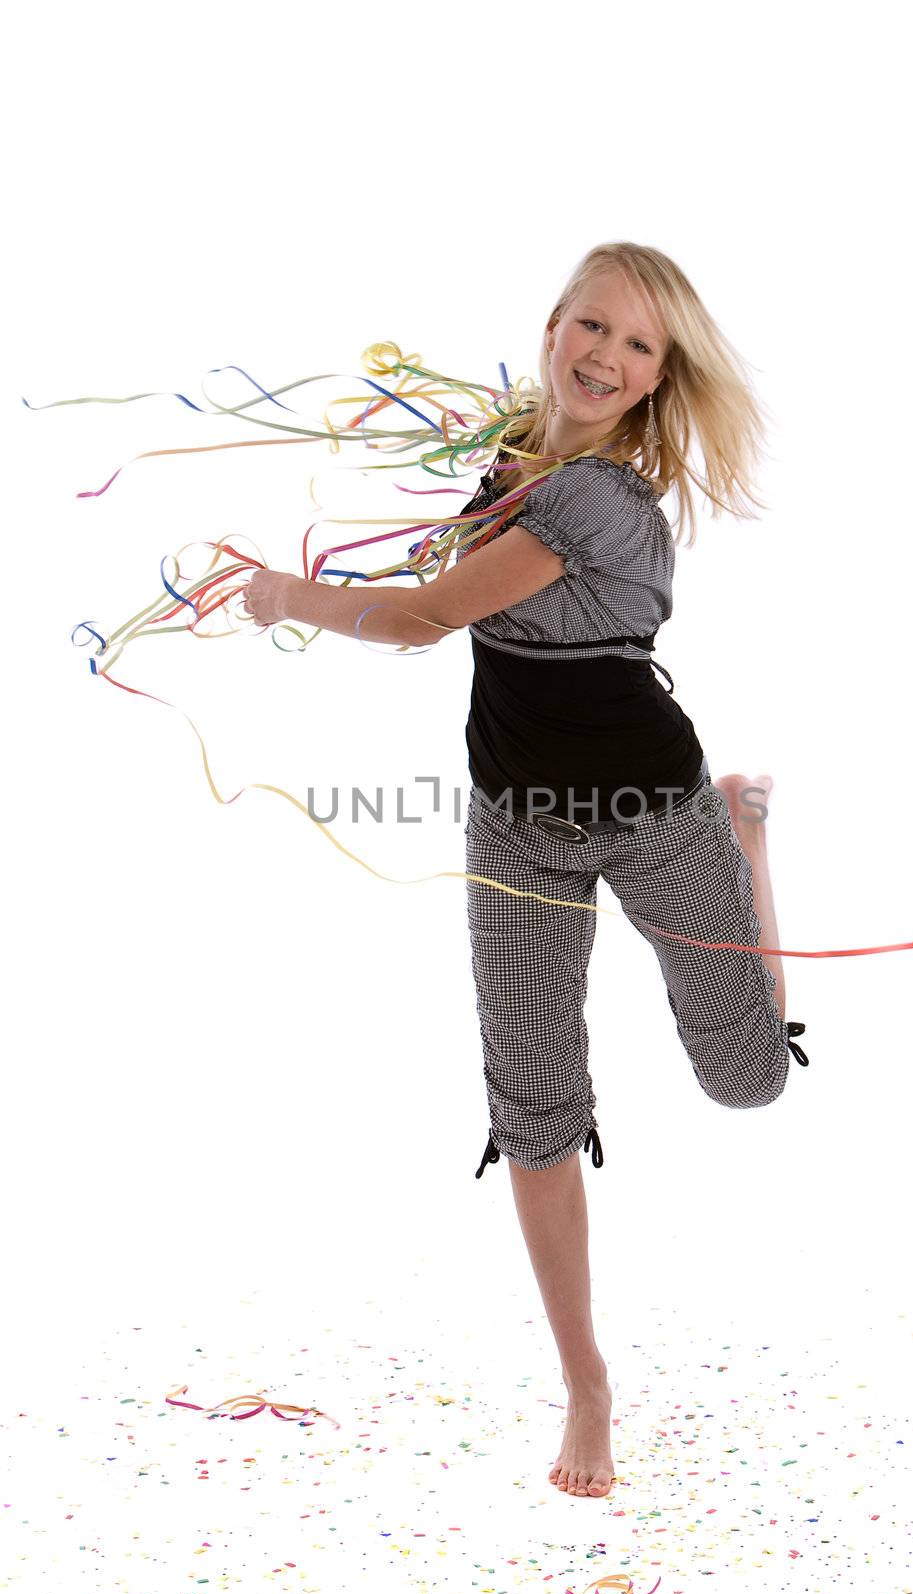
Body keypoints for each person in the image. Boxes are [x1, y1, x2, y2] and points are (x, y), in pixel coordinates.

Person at [243, 241, 809, 1502]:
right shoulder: (516, 459)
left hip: (653, 812)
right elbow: (466, 569)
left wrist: (290, 592)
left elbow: (419, 619)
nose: (604, 356)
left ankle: (745, 834)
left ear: (662, 376)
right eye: (591, 327)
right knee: (531, 1104)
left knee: (747, 1080)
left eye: (638, 346)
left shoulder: (594, 501)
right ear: (552, 325)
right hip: (517, 823)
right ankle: (586, 1381)